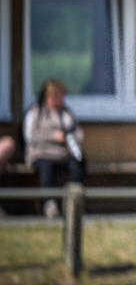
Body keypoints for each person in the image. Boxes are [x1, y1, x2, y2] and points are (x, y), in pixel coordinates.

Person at [23, 79, 85, 218]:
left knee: (78, 162)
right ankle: (49, 204)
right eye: (57, 96)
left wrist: (70, 140)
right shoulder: (36, 111)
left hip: (62, 153)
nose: (61, 99)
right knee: (46, 165)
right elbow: (30, 135)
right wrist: (53, 136)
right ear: (48, 96)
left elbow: (78, 133)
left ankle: (73, 202)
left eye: (62, 95)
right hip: (41, 153)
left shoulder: (65, 113)